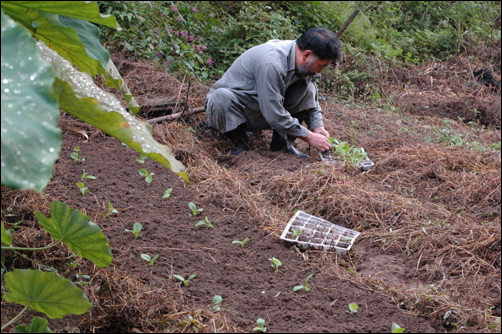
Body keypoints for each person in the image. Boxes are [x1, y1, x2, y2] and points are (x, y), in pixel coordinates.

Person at [205, 27, 342, 157]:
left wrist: (317, 126)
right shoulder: (271, 63)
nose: (320, 71)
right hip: (239, 111)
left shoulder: (304, 62)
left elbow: (311, 99)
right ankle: (240, 143)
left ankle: (282, 146)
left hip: (263, 111)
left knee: (308, 88)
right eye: (321, 66)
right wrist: (309, 136)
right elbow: (273, 113)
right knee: (220, 98)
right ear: (307, 54)